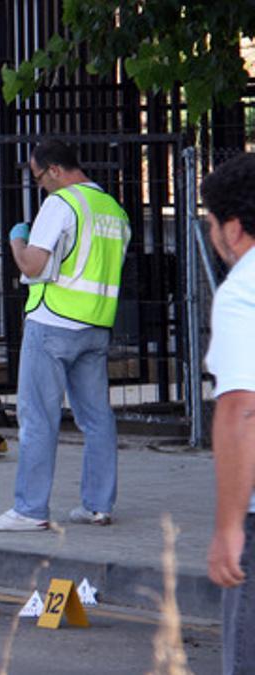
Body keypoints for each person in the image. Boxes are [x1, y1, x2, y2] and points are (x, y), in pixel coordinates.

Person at [0, 140, 131, 532]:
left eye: (38, 179)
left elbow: (32, 264)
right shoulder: (113, 210)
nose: (40, 187)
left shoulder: (62, 204)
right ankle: (97, 505)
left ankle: (29, 510)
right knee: (97, 418)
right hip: (96, 326)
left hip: (52, 322)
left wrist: (17, 239)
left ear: (53, 170)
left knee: (37, 418)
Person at [199, 153, 255, 675]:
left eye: (211, 223)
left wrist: (228, 526)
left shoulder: (243, 291)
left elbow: (240, 410)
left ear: (233, 229)